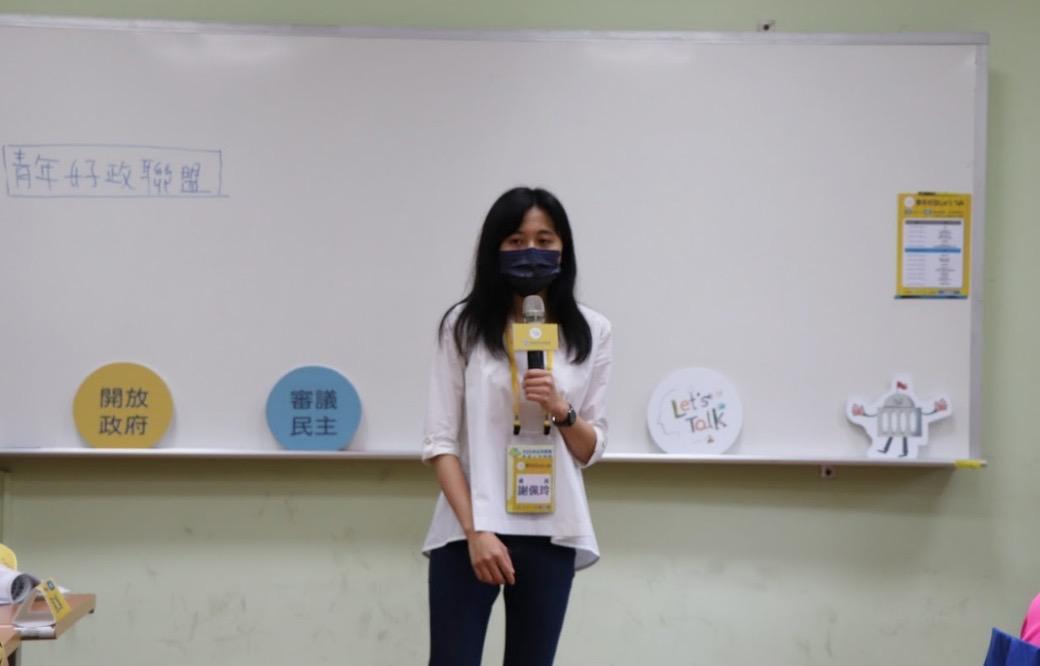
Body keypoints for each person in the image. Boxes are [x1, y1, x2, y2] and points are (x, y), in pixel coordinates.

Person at [421, 187, 612, 666]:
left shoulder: (592, 331)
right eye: (516, 241)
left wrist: (561, 408)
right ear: (495, 249)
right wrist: (477, 532)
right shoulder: (462, 326)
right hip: (469, 529)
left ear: (564, 249)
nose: (531, 252)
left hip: (553, 528)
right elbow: (440, 443)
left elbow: (590, 448)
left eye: (545, 241)